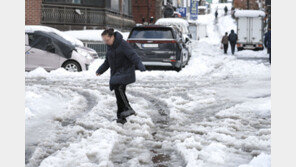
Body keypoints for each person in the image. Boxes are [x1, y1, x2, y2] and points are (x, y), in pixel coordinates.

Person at [96, 28, 146, 124]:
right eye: (104, 41)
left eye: (107, 40)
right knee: (118, 93)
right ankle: (121, 117)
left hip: (126, 71)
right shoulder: (110, 47)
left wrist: (140, 65)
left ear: (112, 37)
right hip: (116, 73)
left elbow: (133, 55)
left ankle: (128, 108)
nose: (106, 42)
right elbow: (107, 61)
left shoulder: (123, 44)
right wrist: (100, 70)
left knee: (119, 88)